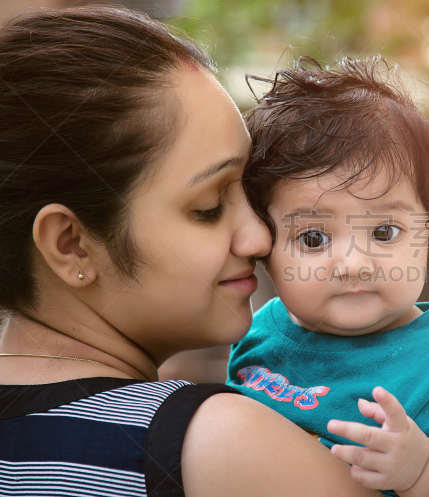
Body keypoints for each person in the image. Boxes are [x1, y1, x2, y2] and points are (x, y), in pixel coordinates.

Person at [0, 7, 378, 497]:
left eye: (252, 192)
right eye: (208, 206)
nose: (259, 238)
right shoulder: (220, 445)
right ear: (70, 245)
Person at [226, 57, 429, 497]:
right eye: (314, 237)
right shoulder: (260, 333)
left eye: (383, 232)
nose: (354, 263)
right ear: (266, 249)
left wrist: (424, 469)